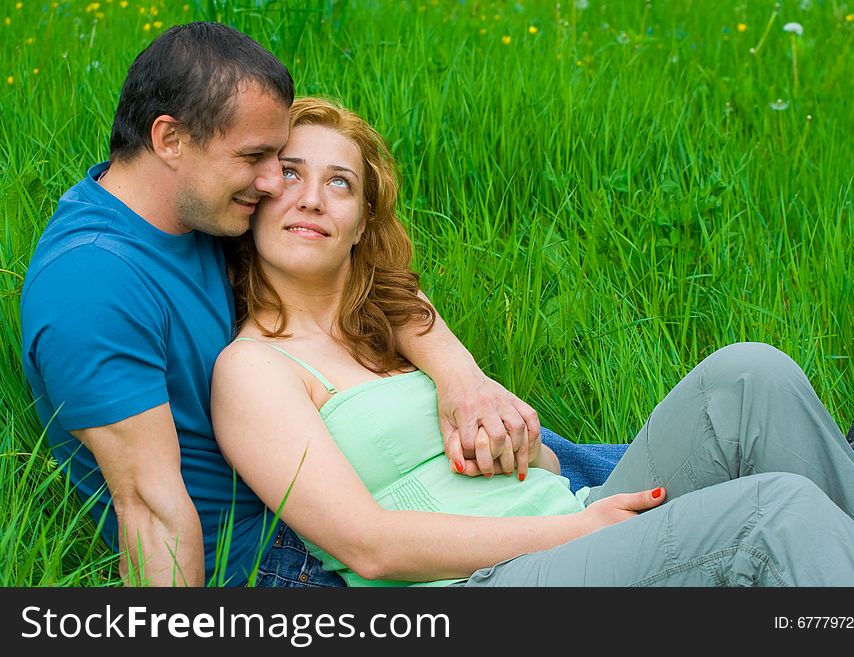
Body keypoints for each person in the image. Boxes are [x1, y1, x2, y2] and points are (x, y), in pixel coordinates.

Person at [19, 21, 621, 589]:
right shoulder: (91, 290)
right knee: (679, 532)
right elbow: (151, 511)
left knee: (700, 442)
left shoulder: (194, 202)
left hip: (364, 465)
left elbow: (361, 276)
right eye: (259, 160)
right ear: (169, 138)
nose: (272, 185)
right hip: (281, 558)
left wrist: (462, 377)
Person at [211, 96, 854, 587]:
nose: (312, 199)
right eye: (291, 174)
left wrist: (523, 449)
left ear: (361, 224)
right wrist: (576, 528)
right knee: (774, 513)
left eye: (340, 183)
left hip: (569, 520)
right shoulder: (254, 367)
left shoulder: (390, 327)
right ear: (254, 200)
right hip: (482, 584)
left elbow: (537, 472)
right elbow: (369, 546)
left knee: (748, 375)